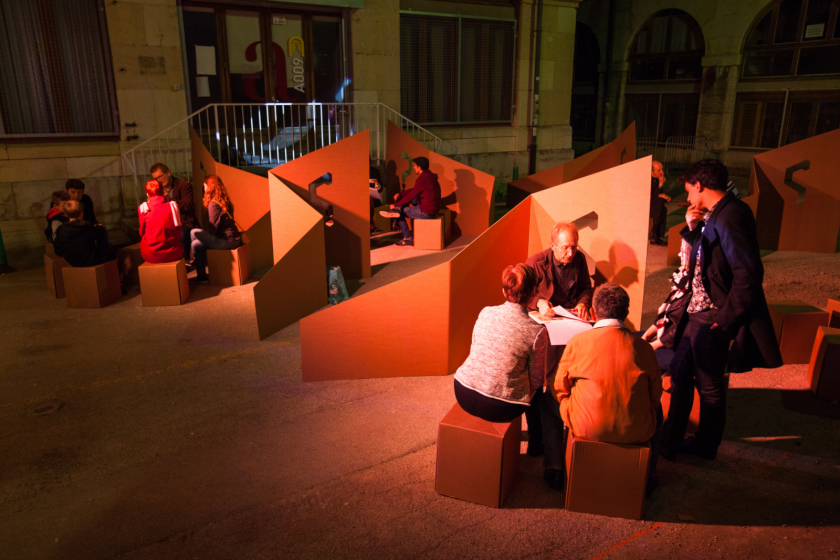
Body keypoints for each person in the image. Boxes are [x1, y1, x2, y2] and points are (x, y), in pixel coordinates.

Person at [660, 159, 782, 461]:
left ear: (699, 185)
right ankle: (671, 439)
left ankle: (704, 446)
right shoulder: (720, 212)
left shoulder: (731, 217)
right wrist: (692, 229)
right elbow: (708, 256)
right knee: (679, 371)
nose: (688, 197)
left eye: (689, 189)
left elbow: (748, 275)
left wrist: (724, 323)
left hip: (712, 316)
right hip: (698, 312)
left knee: (709, 384)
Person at [546, 283, 663, 493]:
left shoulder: (578, 342)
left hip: (587, 427)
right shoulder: (644, 349)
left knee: (546, 402)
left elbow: (558, 389)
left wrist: (571, 399)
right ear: (626, 313)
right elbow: (655, 396)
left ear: (592, 312)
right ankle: (649, 476)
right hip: (635, 430)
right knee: (658, 412)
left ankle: (555, 469)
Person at [453, 263, 546, 456]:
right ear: (533, 293)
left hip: (462, 391)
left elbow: (475, 350)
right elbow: (536, 381)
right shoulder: (537, 331)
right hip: (501, 406)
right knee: (538, 393)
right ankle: (536, 446)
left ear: (505, 291)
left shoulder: (485, 312)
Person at [525, 222, 593, 320]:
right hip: (545, 315)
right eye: (565, 248)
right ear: (552, 246)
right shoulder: (535, 262)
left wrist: (582, 303)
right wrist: (538, 302)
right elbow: (521, 295)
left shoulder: (580, 258)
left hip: (570, 313)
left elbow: (585, 288)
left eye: (573, 247)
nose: (570, 253)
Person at [189, 174, 241, 283]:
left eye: (204, 186)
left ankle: (201, 275)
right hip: (235, 239)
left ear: (209, 187)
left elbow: (213, 229)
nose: (203, 188)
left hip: (226, 241)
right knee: (194, 238)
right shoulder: (225, 200)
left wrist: (205, 237)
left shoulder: (213, 204)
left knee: (194, 237)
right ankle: (201, 269)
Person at [379, 156, 441, 246]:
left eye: (415, 166)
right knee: (410, 198)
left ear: (419, 167)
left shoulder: (422, 178)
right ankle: (397, 209)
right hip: (432, 208)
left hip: (426, 211)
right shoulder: (429, 176)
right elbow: (414, 190)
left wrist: (396, 205)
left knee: (399, 213)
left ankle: (407, 238)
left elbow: (411, 195)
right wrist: (400, 194)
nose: (414, 168)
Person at [149, 163, 197, 261]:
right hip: (167, 222)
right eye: (156, 178)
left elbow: (188, 205)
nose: (160, 180)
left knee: (182, 234)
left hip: (184, 221)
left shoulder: (183, 185)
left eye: (161, 176)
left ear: (168, 173)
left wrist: (169, 199)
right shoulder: (158, 189)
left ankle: (184, 261)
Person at [53, 200, 116, 267]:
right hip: (91, 260)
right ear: (81, 213)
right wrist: (100, 227)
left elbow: (58, 250)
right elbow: (100, 232)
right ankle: (112, 269)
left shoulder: (61, 229)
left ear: (65, 214)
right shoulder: (86, 225)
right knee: (111, 250)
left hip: (72, 262)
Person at [138, 180, 183, 264]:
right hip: (174, 252)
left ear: (147, 193)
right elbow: (179, 229)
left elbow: (142, 232)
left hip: (151, 255)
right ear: (163, 191)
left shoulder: (143, 208)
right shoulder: (173, 206)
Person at [649, 160, 671, 245]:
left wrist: (661, 185)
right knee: (659, 205)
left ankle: (656, 235)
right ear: (651, 172)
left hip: (652, 203)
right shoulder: (647, 179)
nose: (662, 172)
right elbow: (648, 196)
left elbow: (656, 194)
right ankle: (654, 236)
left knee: (662, 207)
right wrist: (660, 195)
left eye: (662, 169)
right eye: (659, 170)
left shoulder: (658, 178)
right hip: (641, 205)